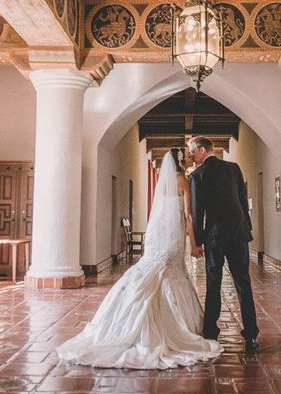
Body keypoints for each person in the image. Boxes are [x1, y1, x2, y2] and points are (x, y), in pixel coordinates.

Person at [56, 148, 222, 369]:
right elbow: (189, 216)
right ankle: (172, 326)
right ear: (182, 162)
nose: (192, 157)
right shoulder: (183, 180)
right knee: (170, 272)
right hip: (173, 235)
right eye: (189, 156)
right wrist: (194, 244)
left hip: (159, 233)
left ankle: (128, 316)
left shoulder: (164, 183)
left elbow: (162, 212)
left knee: (154, 269)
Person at [188, 136, 259, 353]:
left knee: (214, 283)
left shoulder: (197, 175)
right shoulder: (233, 168)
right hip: (238, 233)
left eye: (192, 151)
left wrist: (198, 241)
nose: (190, 154)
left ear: (202, 150)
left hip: (215, 236)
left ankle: (211, 332)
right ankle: (252, 336)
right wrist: (247, 228)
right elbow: (241, 197)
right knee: (243, 283)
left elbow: (198, 211)